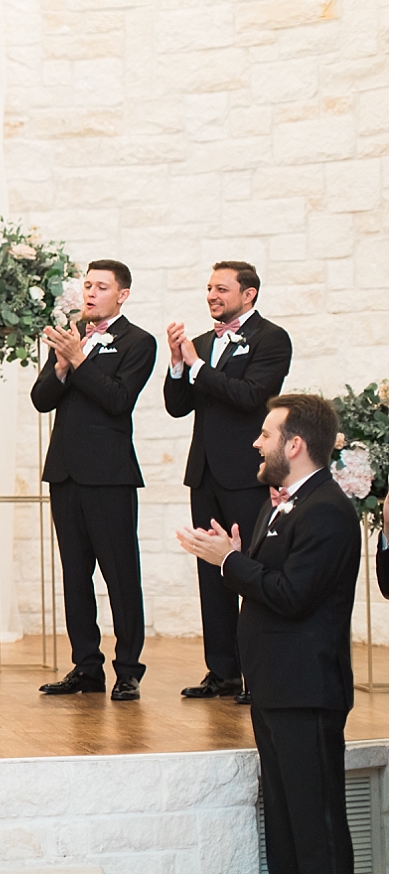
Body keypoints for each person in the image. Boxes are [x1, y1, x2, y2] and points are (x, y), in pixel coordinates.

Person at [177, 394, 360, 873]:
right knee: (282, 828)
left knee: (315, 830)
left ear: (295, 444)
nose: (256, 444)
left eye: (266, 435)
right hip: (275, 688)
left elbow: (293, 596)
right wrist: (235, 556)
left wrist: (231, 562)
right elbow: (268, 580)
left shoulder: (326, 509)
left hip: (306, 693)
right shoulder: (279, 506)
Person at [165, 261, 292, 704]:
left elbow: (249, 396)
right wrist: (179, 366)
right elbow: (177, 407)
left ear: (249, 294)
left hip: (248, 475)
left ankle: (259, 676)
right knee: (211, 573)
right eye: (209, 288)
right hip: (205, 475)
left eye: (222, 288)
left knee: (250, 571)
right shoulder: (200, 344)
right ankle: (221, 673)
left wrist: (198, 366)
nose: (212, 296)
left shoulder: (271, 339)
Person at [31, 260, 156, 701]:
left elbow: (118, 400)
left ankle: (128, 670)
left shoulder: (139, 342)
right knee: (75, 574)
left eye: (101, 287)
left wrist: (79, 360)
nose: (90, 293)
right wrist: (62, 366)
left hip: (109, 476)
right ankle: (86, 667)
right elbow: (41, 399)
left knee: (120, 574)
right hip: (65, 472)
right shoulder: (70, 338)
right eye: (87, 285)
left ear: (122, 294)